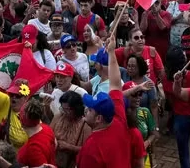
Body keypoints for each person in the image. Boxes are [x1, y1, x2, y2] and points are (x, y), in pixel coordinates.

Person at [76, 33, 131, 168]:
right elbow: (115, 83)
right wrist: (111, 51)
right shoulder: (118, 118)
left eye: (90, 109)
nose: (86, 110)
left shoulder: (91, 147)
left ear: (99, 118)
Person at [49, 91, 91, 168]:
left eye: (68, 109)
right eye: (63, 109)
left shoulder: (85, 124)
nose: (65, 112)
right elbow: (48, 136)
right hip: (53, 162)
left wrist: (69, 147)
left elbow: (88, 150)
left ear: (76, 108)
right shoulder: (58, 116)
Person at [16, 97, 56, 167]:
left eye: (19, 115)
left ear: (21, 120)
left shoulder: (33, 149)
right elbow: (55, 143)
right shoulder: (46, 128)